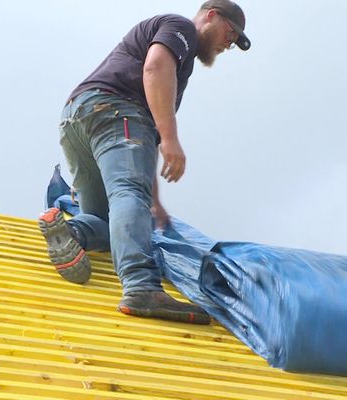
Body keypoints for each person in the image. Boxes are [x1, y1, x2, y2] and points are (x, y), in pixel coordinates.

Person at [38, 0, 250, 325]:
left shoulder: (182, 58)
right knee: (128, 195)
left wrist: (155, 202)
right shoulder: (181, 30)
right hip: (117, 110)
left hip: (78, 118)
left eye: (234, 42)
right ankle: (141, 286)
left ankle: (70, 231)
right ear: (211, 15)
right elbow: (154, 69)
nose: (228, 43)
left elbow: (141, 142)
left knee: (103, 219)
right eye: (229, 32)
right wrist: (171, 138)